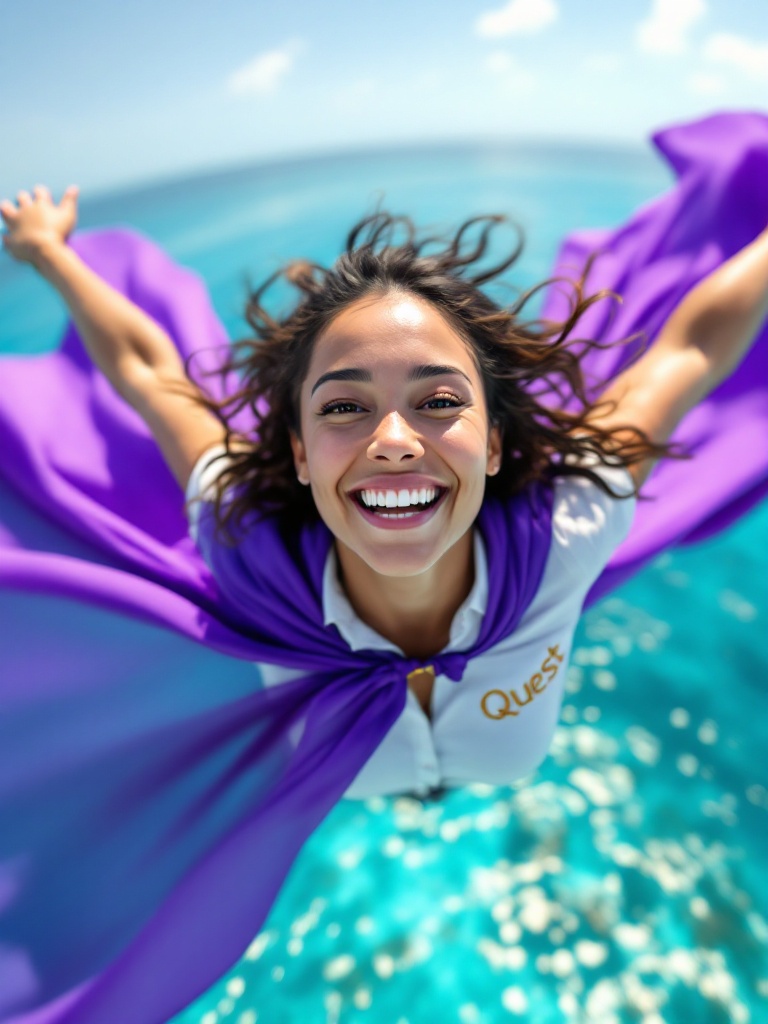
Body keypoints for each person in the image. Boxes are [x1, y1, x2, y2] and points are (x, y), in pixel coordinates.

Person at [0, 111, 766, 1024]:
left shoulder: (575, 520)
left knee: (433, 783)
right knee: (399, 792)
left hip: (481, 753)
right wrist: (50, 253)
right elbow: (145, 364)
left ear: (491, 445)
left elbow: (691, 345)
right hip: (357, 764)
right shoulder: (242, 546)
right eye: (345, 406)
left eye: (439, 400)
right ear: (294, 453)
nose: (394, 441)